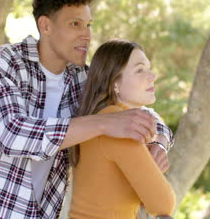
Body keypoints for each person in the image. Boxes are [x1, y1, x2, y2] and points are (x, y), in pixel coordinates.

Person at [0, 0, 173, 219]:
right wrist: (104, 123)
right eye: (75, 24)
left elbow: (138, 112)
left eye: (88, 25)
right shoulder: (5, 63)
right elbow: (12, 135)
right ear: (45, 25)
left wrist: (158, 141)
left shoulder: (82, 79)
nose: (86, 35)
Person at [68, 40, 176, 219]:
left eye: (149, 68)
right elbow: (163, 203)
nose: (152, 76)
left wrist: (159, 143)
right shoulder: (120, 125)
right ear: (114, 83)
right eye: (140, 70)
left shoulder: (103, 116)